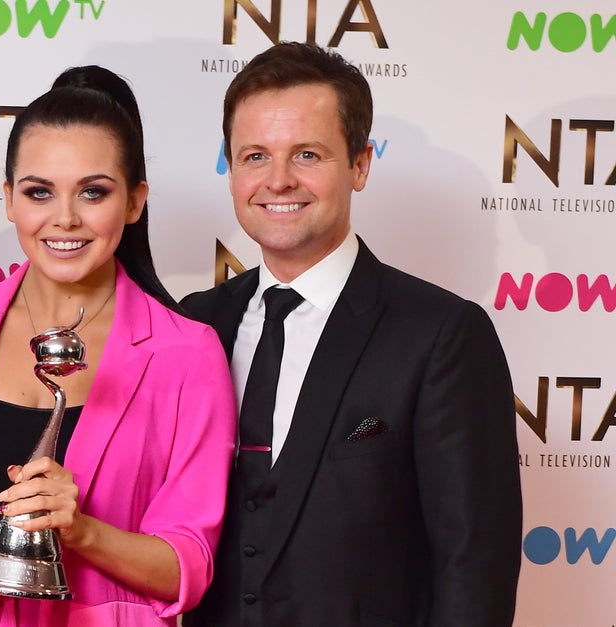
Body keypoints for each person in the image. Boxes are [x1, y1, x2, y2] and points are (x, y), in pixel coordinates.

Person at [182, 42, 522, 627]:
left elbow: (475, 568)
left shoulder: (441, 334)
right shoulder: (196, 323)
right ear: (231, 170)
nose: (278, 180)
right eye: (255, 156)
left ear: (360, 165)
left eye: (306, 154)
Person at [0, 65, 236, 626]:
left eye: (93, 192)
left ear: (135, 201)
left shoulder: (186, 353)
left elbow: (187, 566)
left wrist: (82, 531)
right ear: (9, 198)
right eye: (39, 192)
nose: (66, 218)